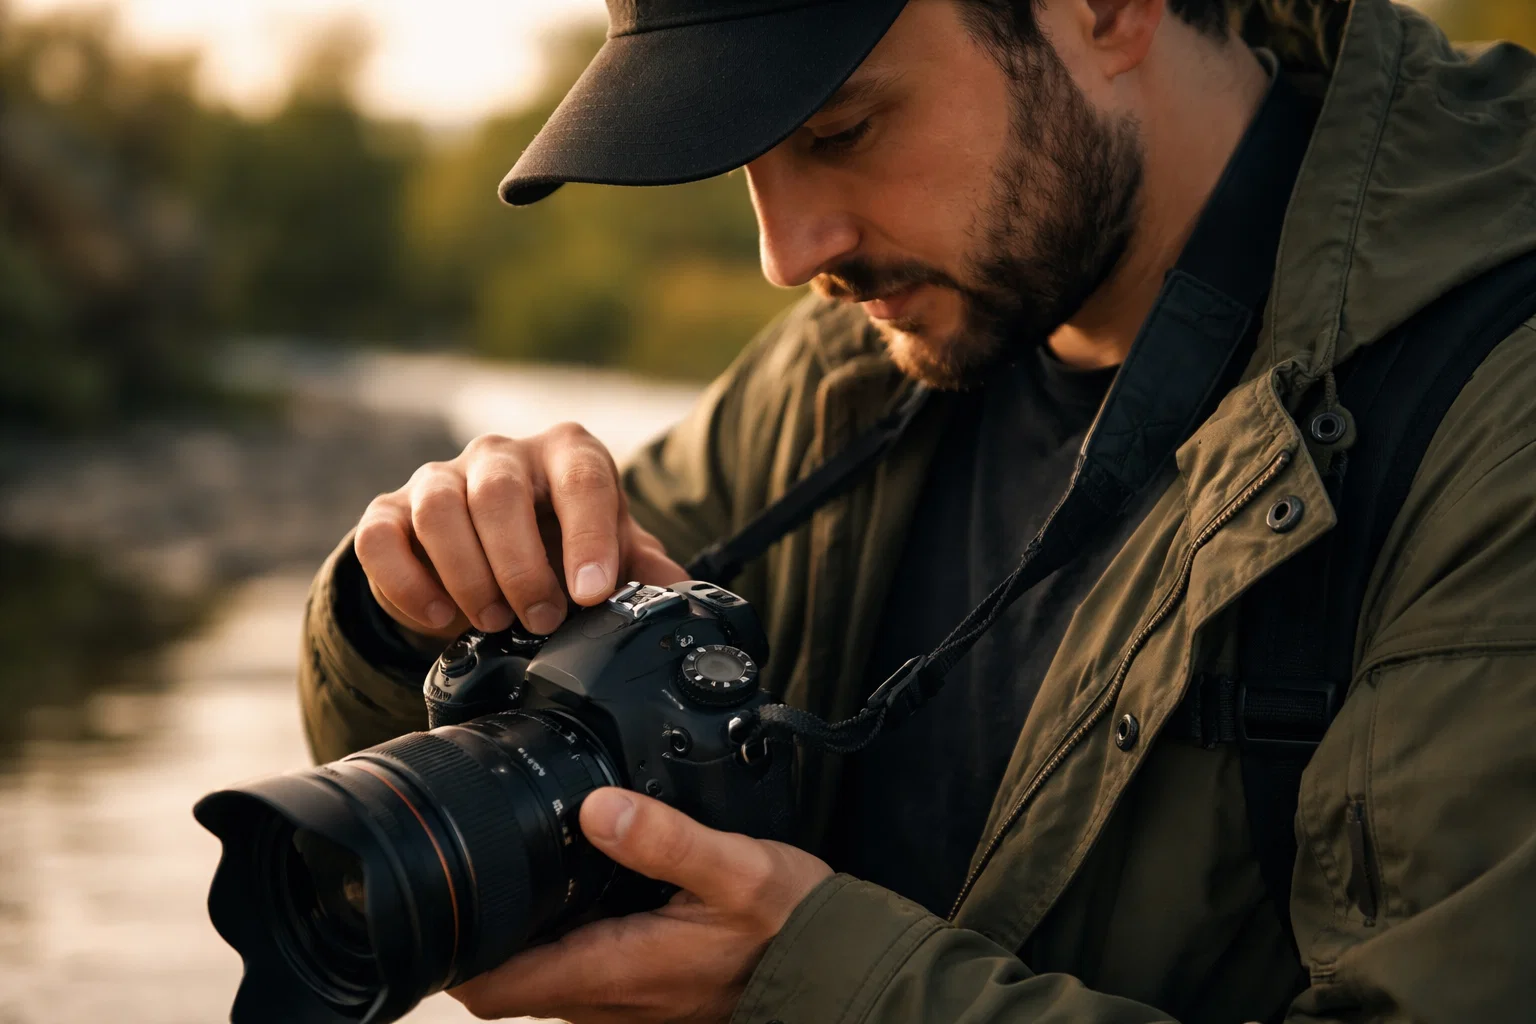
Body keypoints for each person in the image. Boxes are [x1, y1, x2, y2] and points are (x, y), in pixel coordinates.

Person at [298, 0, 1536, 1020]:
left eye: (839, 129)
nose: (788, 251)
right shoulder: (848, 372)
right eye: (748, 158)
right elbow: (409, 769)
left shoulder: (1492, 408)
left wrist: (804, 982)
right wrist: (405, 603)